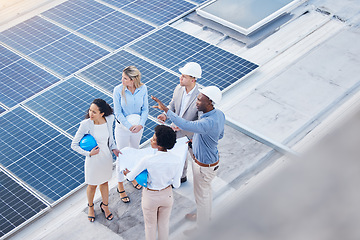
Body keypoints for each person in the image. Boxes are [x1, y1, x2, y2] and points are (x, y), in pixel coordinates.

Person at [152, 86, 225, 235]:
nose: (196, 102)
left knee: (202, 196)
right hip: (210, 163)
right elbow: (220, 135)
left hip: (204, 166)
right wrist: (196, 140)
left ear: (210, 102)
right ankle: (203, 216)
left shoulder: (207, 123)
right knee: (205, 193)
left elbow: (186, 125)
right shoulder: (218, 115)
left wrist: (166, 110)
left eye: (199, 99)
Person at [123, 125, 181, 240]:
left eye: (154, 139)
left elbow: (130, 177)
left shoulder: (148, 160)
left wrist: (126, 173)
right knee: (164, 225)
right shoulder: (177, 159)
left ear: (159, 145)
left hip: (150, 196)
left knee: (150, 227)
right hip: (167, 195)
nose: (151, 140)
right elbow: (176, 184)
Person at [71, 98, 120, 222]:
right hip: (93, 160)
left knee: (104, 183)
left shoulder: (109, 120)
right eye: (90, 110)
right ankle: (91, 207)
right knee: (92, 185)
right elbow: (74, 145)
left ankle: (105, 206)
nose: (90, 114)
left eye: (94, 112)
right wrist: (89, 153)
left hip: (106, 158)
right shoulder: (86, 124)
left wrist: (114, 148)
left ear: (102, 113)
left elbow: (111, 138)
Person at [157, 62, 201, 184]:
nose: (180, 78)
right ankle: (181, 177)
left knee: (197, 159)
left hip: (191, 135)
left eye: (184, 76)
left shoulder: (201, 97)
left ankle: (202, 178)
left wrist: (182, 125)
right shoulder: (178, 89)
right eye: (181, 75)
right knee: (179, 156)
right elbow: (172, 104)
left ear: (193, 80)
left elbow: (201, 122)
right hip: (176, 131)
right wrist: (165, 114)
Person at [113, 65, 149, 203]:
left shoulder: (143, 89)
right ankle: (120, 185)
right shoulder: (118, 90)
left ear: (133, 80)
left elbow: (145, 109)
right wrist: (129, 126)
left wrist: (141, 125)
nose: (122, 80)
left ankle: (132, 176)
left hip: (138, 128)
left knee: (134, 152)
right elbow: (118, 113)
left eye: (125, 78)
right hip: (123, 128)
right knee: (122, 156)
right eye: (122, 77)